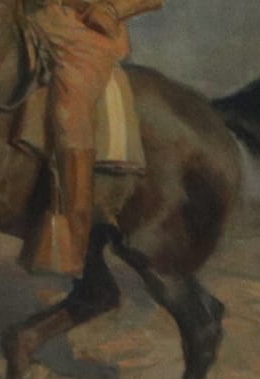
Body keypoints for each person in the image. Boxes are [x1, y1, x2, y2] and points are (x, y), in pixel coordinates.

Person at [17, 0, 163, 276]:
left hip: (81, 31)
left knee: (69, 110)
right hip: (23, 12)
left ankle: (69, 240)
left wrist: (112, 10)